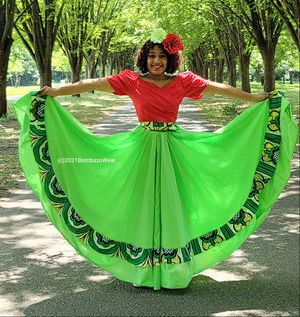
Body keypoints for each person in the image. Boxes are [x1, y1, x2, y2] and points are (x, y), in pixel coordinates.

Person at [13, 30, 298, 291]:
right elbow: (92, 84)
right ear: (144, 58)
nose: (157, 61)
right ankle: (143, 268)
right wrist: (55, 91)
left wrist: (254, 97)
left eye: (162, 56)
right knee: (144, 206)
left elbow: (219, 88)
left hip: (173, 151)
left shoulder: (183, 82)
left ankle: (173, 270)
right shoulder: (132, 81)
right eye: (152, 56)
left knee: (173, 204)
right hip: (142, 151)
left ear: (171, 58)